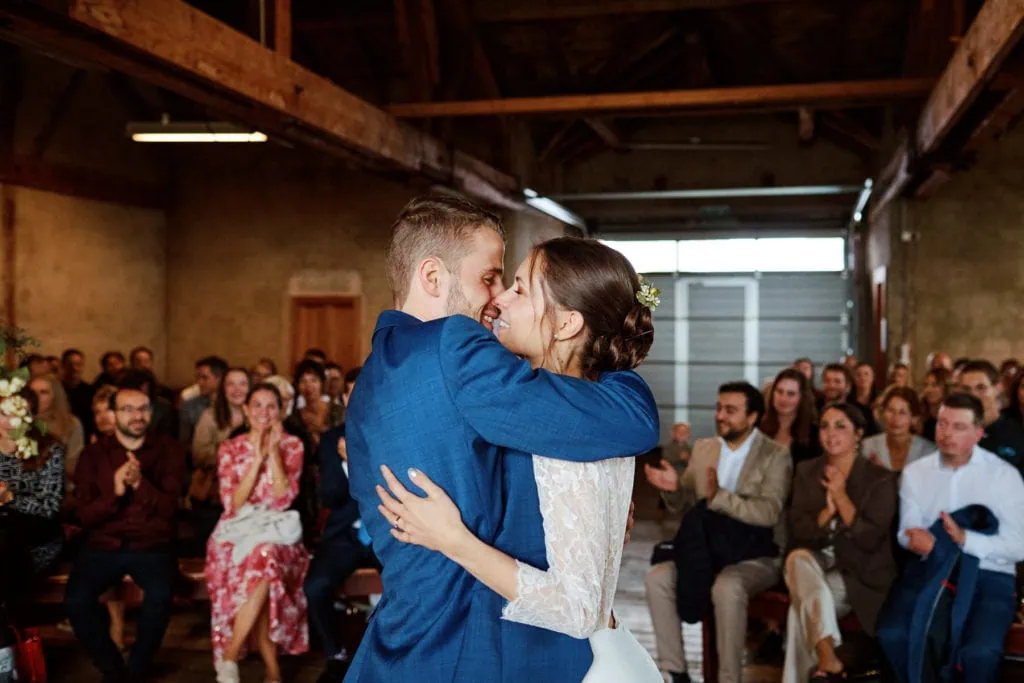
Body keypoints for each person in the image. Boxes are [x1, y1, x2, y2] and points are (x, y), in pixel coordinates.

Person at [344, 197, 659, 683]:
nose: (496, 298)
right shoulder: (453, 345)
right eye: (490, 278)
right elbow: (629, 423)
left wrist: (598, 516)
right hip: (469, 643)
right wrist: (625, 378)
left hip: (403, 636)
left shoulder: (371, 378)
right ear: (433, 277)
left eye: (512, 285)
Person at [645, 382, 791, 683]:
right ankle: (675, 672)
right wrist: (672, 489)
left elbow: (769, 513)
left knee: (727, 587)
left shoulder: (775, 455)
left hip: (756, 555)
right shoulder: (705, 448)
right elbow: (686, 501)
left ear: (753, 417)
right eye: (719, 408)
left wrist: (718, 497)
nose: (720, 415)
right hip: (708, 550)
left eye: (730, 410)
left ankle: (728, 678)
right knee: (658, 578)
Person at [877, 393, 1024, 683]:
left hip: (988, 576)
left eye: (958, 427)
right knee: (892, 635)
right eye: (942, 424)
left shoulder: (1003, 476)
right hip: (930, 570)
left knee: (978, 653)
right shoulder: (916, 472)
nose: (946, 433)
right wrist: (923, 544)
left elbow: (1019, 545)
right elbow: (907, 532)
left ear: (978, 433)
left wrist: (962, 541)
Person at [64, 382, 186, 683]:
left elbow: (170, 509)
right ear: (114, 414)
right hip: (103, 544)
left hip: (152, 544)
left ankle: (137, 669)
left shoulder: (169, 449)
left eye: (143, 408)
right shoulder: (93, 455)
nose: (137, 416)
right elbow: (83, 515)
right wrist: (116, 491)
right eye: (128, 409)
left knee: (160, 595)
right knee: (76, 600)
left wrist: (140, 485)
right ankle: (112, 668)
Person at [783, 403, 898, 682]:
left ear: (858, 433)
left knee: (799, 612)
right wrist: (826, 513)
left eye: (840, 426)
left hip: (860, 572)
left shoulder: (880, 479)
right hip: (814, 563)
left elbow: (870, 539)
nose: (830, 433)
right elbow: (797, 529)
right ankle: (828, 660)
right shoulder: (807, 470)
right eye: (824, 426)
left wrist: (840, 496)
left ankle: (826, 659)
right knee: (796, 558)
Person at [205, 383, 310, 683]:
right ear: (246, 410)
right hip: (236, 534)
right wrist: (257, 459)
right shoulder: (230, 447)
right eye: (258, 406)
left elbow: (283, 499)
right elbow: (233, 504)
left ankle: (229, 657)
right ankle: (272, 670)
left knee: (266, 557)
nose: (264, 413)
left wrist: (274, 452)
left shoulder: (294, 446)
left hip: (277, 532)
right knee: (264, 566)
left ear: (281, 411)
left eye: (271, 406)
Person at [303, 425, 377, 683]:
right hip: (346, 534)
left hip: (389, 530)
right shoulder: (332, 438)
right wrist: (345, 464)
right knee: (315, 587)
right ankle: (336, 653)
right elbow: (329, 497)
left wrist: (357, 463)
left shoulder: (393, 423)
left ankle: (394, 652)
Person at [0, 388, 66, 658]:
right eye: (3, 412)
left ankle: (7, 655)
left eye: (18, 413)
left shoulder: (49, 449)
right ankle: (5, 653)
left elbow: (49, 508)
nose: (9, 421)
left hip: (35, 537)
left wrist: (10, 497)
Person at [189, 368, 251, 553]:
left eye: (242, 383)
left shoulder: (256, 416)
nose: (237, 389)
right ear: (223, 388)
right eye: (231, 384)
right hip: (214, 490)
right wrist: (231, 454)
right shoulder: (210, 416)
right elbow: (199, 454)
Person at [958, 359, 1024, 473]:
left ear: (998, 388)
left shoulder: (1018, 434)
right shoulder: (955, 434)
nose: (974, 395)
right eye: (967, 389)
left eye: (981, 388)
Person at [862, 386, 935, 472]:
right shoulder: (867, 447)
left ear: (914, 418)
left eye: (902, 412)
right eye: (890, 410)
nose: (895, 418)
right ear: (883, 414)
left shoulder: (928, 452)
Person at [29, 374, 85, 481]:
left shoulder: (70, 423)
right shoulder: (16, 421)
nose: (37, 397)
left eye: (43, 392)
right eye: (32, 392)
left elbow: (74, 464)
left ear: (55, 395)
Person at [760, 368, 820, 465]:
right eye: (779, 391)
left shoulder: (814, 435)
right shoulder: (758, 428)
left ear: (802, 398)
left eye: (791, 394)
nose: (783, 399)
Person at [179, 356, 228, 452]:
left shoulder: (234, 405)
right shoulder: (190, 406)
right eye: (198, 378)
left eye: (204, 378)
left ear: (220, 379)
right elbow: (183, 442)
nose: (199, 382)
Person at [294, 360, 342, 448]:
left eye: (314, 380)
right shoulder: (294, 419)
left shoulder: (339, 412)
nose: (308, 385)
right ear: (297, 386)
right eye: (303, 381)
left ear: (322, 383)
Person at [61, 348, 94, 438]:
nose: (74, 368)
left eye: (78, 364)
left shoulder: (90, 391)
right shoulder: (56, 389)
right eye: (70, 364)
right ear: (63, 366)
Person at [920, 367, 952, 442]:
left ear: (946, 388)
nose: (928, 389)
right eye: (926, 385)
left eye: (934, 385)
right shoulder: (921, 415)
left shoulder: (952, 416)